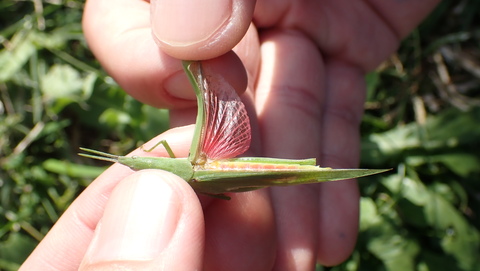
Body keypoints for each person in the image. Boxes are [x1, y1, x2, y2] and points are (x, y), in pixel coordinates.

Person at [20, 0, 440, 270]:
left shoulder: (179, 160)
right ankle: (335, 171)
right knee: (306, 172)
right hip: (216, 168)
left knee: (302, 170)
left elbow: (206, 179)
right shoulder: (178, 162)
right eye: (134, 163)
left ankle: (335, 171)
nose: (137, 161)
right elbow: (189, 165)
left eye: (135, 161)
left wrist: (196, 64)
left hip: (214, 168)